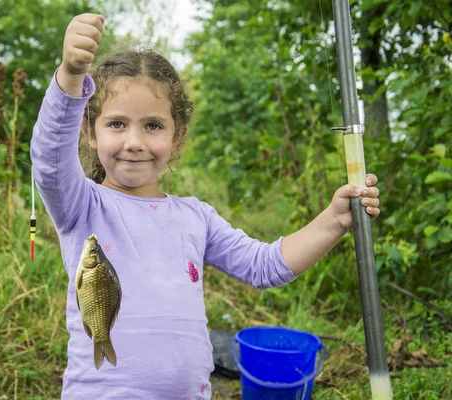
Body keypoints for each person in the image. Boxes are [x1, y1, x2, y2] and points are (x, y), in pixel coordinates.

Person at [30, 13, 381, 400]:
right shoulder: (82, 206)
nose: (134, 141)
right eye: (116, 124)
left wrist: (334, 220)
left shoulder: (195, 216)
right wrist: (69, 76)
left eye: (152, 126)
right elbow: (48, 160)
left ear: (177, 136)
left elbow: (264, 265)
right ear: (89, 132)